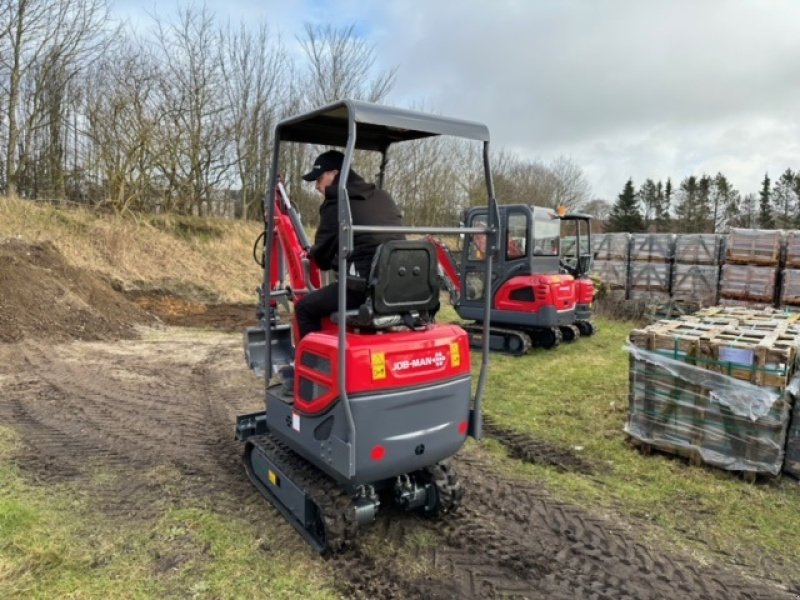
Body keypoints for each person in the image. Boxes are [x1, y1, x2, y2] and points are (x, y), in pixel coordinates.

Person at [294, 150, 404, 339]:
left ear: (334, 174)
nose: (317, 187)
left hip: (363, 291)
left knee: (304, 308)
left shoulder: (337, 203)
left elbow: (322, 260)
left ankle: (314, 364)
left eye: (318, 179)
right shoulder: (383, 197)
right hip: (398, 285)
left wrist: (315, 253)